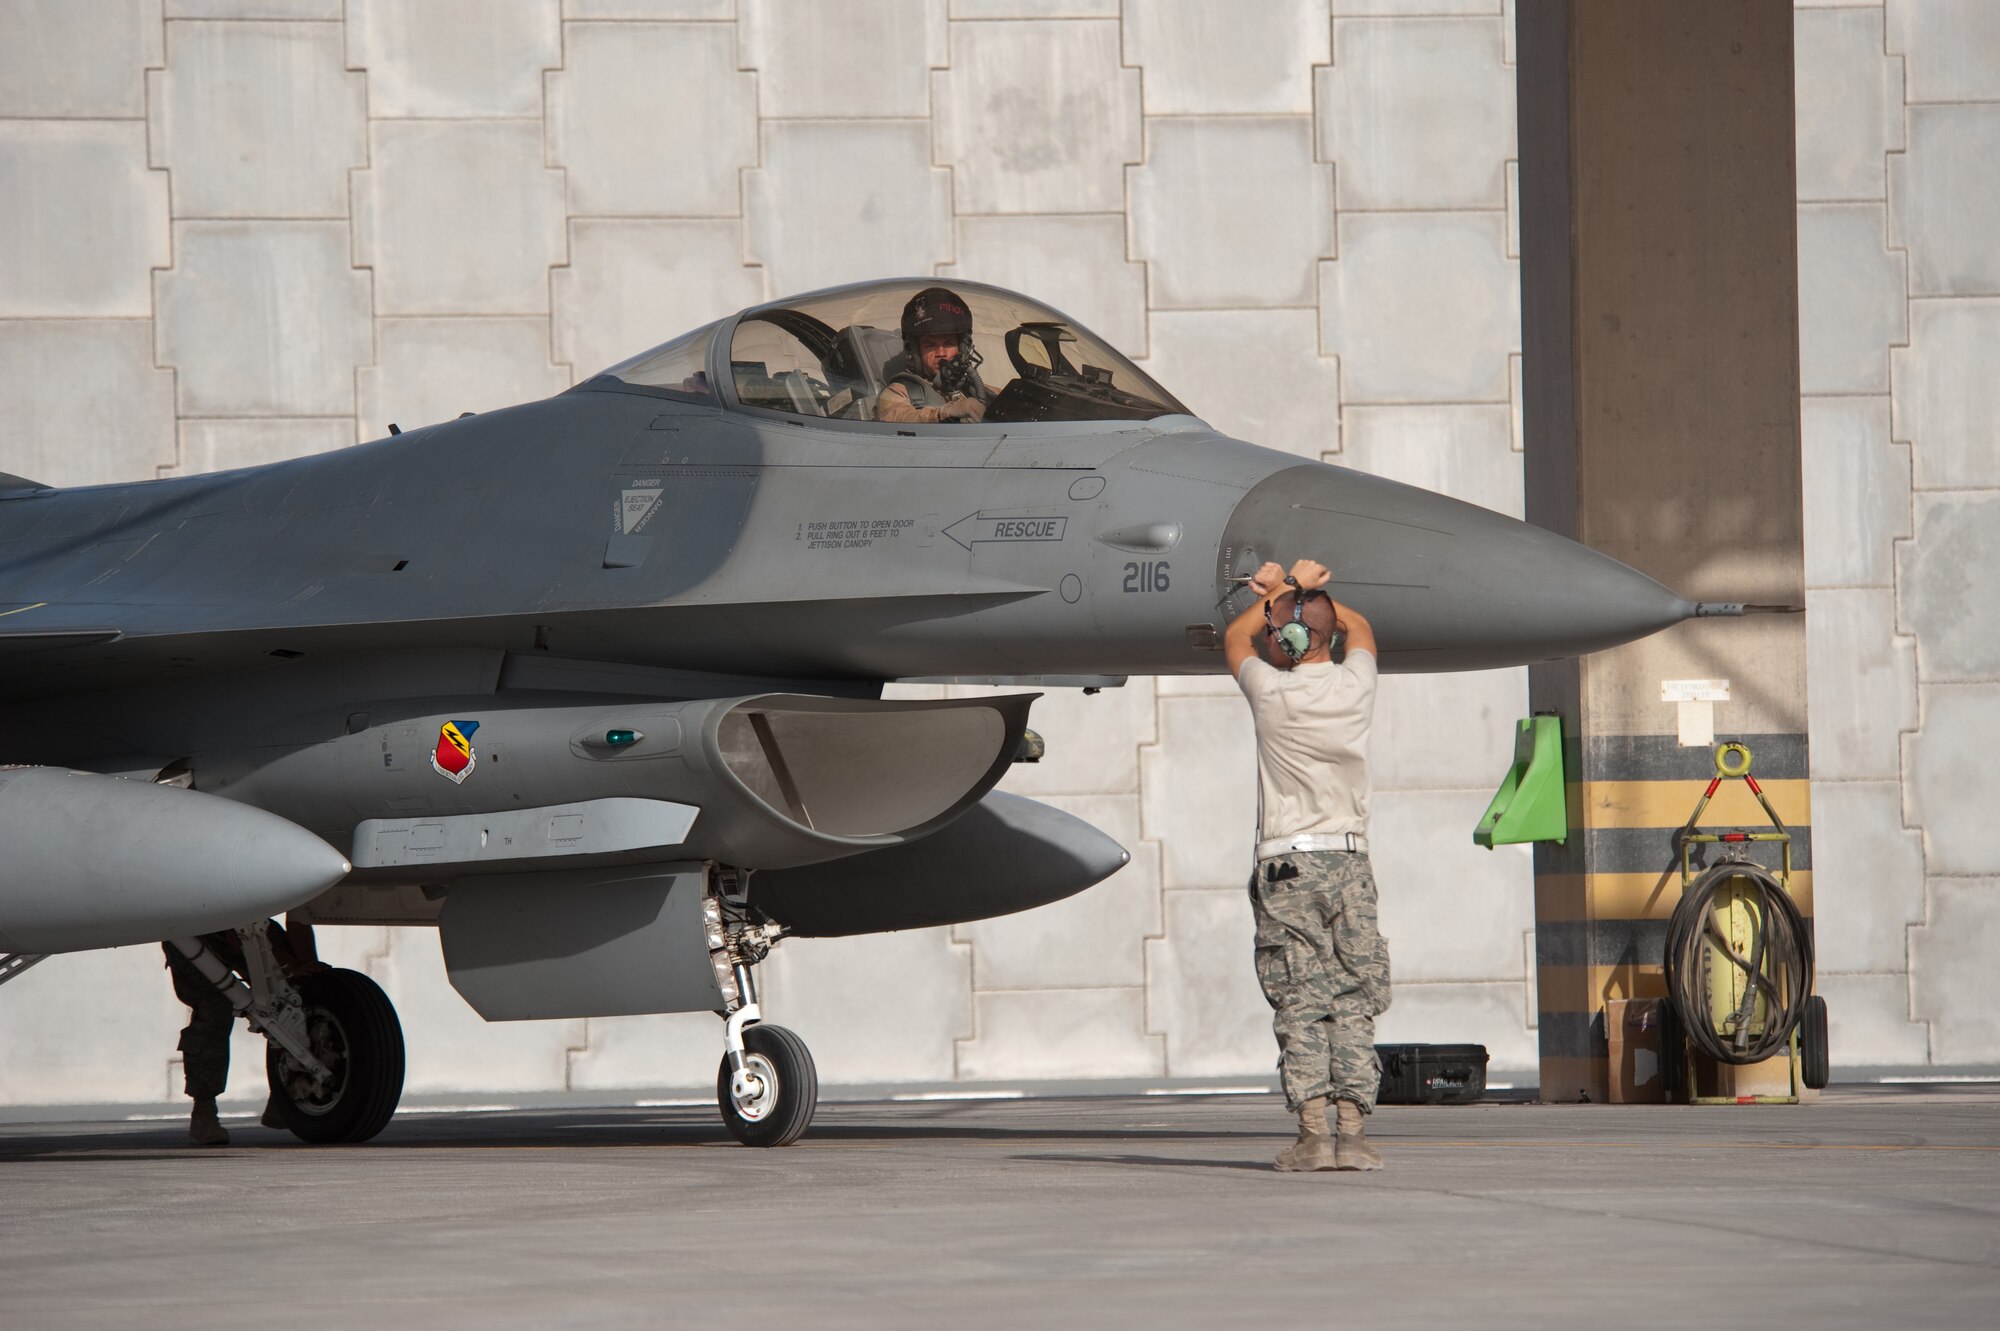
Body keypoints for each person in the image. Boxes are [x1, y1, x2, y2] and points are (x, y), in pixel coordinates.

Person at [1223, 557, 1391, 1173]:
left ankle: (1312, 1138)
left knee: (1299, 997)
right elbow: (1362, 630)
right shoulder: (1356, 685)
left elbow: (1235, 638)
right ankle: (1354, 1136)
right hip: (1349, 864)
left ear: (1283, 641)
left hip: (1287, 866)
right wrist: (1308, 594)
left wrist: (1275, 596)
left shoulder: (1270, 693)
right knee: (1352, 994)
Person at [160, 917, 323, 1146]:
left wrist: (303, 969)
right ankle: (204, 1111)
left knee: (292, 993)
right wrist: (287, 964)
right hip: (191, 924)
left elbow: (300, 915)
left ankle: (285, 1095)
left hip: (249, 922)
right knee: (214, 1006)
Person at [873, 286, 992, 424]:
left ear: (962, 348)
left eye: (948, 344)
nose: (941, 353)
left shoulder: (974, 387)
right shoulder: (899, 392)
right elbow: (898, 418)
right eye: (930, 345)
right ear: (916, 351)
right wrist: (945, 413)